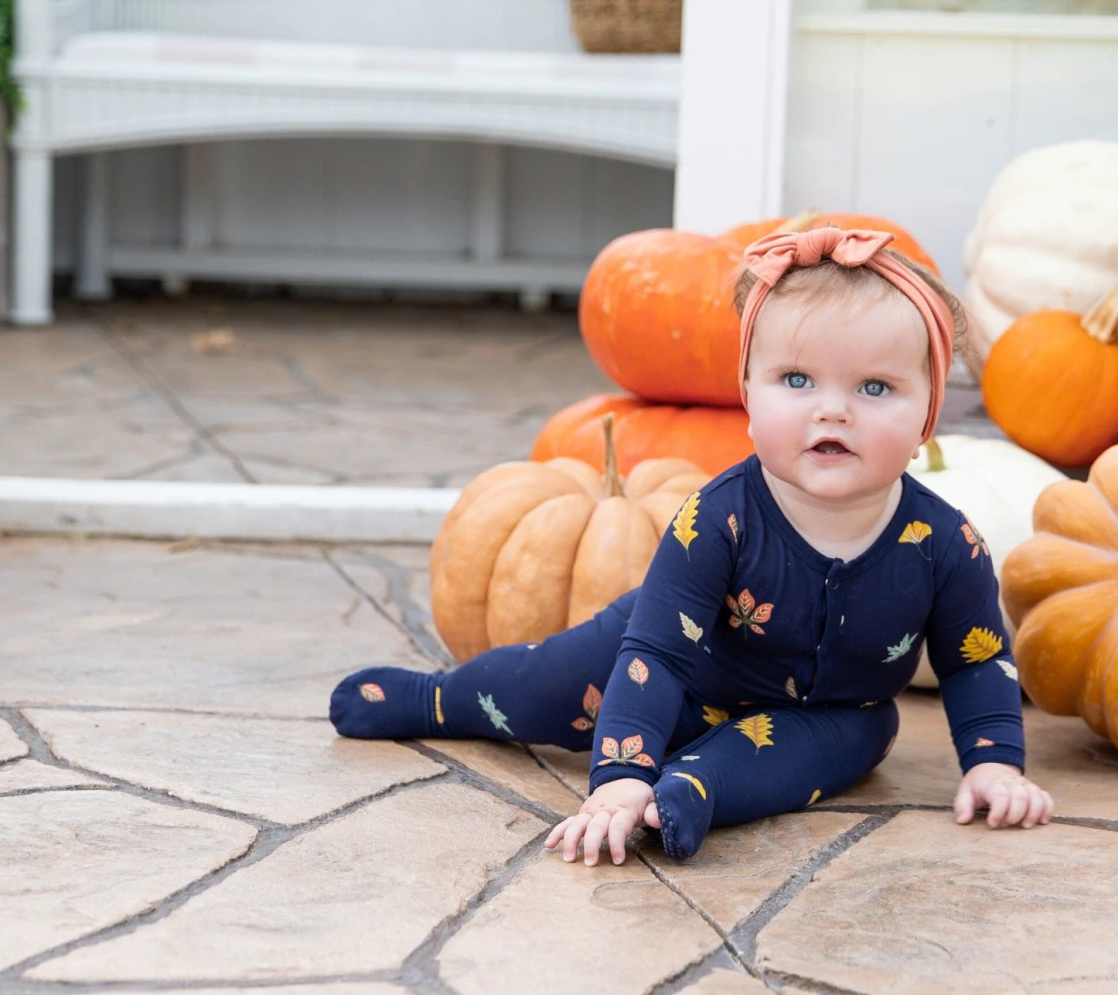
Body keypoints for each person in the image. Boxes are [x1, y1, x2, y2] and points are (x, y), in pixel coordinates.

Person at [330, 225, 1053, 864]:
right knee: (547, 680)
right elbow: (654, 656)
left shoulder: (947, 542)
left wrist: (994, 762)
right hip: (679, 673)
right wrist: (617, 775)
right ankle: (439, 701)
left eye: (874, 387)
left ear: (928, 412)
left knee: (794, 757)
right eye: (796, 379)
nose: (831, 408)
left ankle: (690, 794)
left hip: (836, 713)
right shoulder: (716, 517)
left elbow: (977, 660)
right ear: (747, 392)